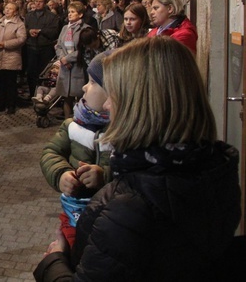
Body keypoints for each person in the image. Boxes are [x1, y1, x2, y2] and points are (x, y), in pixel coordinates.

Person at [34, 37, 242, 281]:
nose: (108, 105)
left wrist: (54, 262)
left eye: (116, 94)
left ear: (141, 105)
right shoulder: (214, 169)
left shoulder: (130, 207)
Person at [40, 53, 111, 248]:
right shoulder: (73, 124)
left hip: (109, 218)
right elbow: (50, 153)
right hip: (74, 212)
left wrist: (103, 176)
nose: (84, 87)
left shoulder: (123, 132)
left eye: (93, 83)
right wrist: (61, 174)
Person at [0, 2, 27, 114]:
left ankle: (11, 105)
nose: (7, 10)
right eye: (6, 8)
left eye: (10, 9)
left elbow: (21, 39)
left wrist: (5, 44)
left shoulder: (19, 24)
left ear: (15, 12)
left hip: (11, 57)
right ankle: (0, 104)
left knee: (10, 83)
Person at [55, 2, 91, 117]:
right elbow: (58, 45)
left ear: (80, 15)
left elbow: (84, 49)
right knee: (67, 97)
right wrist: (62, 59)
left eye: (73, 12)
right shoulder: (65, 28)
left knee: (81, 97)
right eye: (69, 12)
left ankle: (81, 121)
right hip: (65, 68)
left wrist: (68, 58)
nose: (69, 14)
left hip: (78, 67)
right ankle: (67, 122)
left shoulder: (85, 29)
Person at [25, 0, 61, 100]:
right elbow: (24, 28)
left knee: (44, 73)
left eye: (40, 1)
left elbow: (54, 32)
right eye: (36, 1)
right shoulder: (29, 16)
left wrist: (40, 31)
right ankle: (33, 94)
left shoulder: (51, 16)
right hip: (31, 47)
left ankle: (44, 94)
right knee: (31, 72)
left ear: (44, 3)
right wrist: (29, 31)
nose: (37, 3)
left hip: (45, 48)